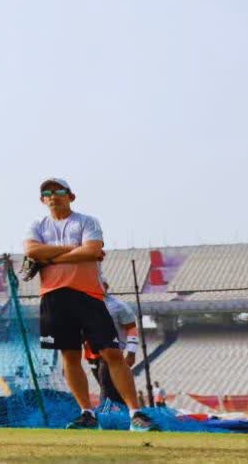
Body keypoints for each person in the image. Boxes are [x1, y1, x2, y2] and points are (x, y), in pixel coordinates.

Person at [23, 178, 159, 432]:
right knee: (70, 356)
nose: (53, 196)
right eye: (47, 192)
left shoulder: (87, 221)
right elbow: (32, 252)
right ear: (42, 199)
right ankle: (87, 413)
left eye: (59, 191)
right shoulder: (37, 225)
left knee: (112, 354)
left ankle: (136, 413)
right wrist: (74, 250)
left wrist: (50, 257)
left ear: (71, 196)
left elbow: (91, 250)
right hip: (53, 296)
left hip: (89, 295)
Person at [85, 280, 141, 407]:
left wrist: (131, 353)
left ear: (106, 286)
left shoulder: (119, 306)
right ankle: (128, 413)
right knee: (111, 388)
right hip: (92, 355)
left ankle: (105, 414)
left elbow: (132, 330)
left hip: (110, 353)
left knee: (106, 385)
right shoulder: (85, 305)